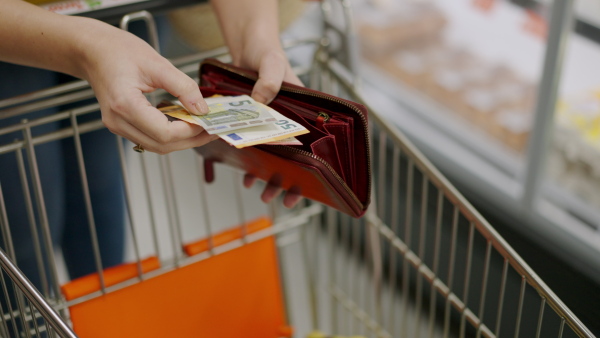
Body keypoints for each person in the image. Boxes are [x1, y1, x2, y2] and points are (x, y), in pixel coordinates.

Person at [0, 0, 303, 287]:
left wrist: (257, 38)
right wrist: (89, 45)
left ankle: (109, 317)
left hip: (127, 14)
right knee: (25, 218)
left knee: (99, 183)